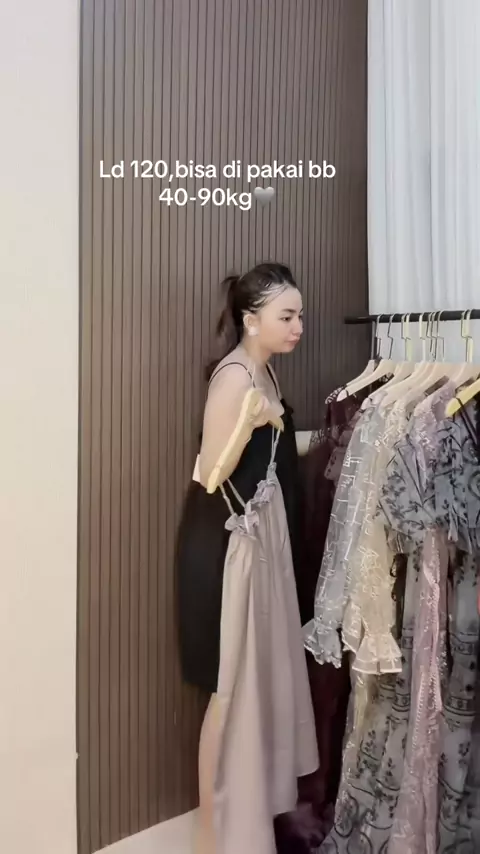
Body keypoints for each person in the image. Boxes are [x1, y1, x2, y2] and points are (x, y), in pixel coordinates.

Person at [175, 261, 318, 854]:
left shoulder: (265, 371)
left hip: (263, 537)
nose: (298, 327)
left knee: (259, 682)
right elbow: (211, 472)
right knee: (230, 689)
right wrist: (251, 419)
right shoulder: (234, 377)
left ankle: (252, 822)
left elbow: (273, 448)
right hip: (230, 544)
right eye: (287, 316)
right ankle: (213, 838)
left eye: (300, 315)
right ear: (251, 319)